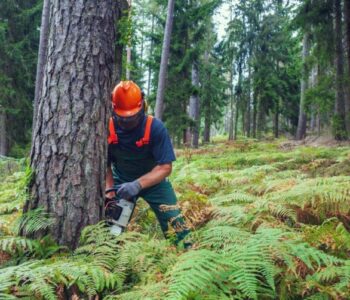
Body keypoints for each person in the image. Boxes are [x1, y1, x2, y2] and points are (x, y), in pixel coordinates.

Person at [106, 80, 190, 245]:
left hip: (155, 183)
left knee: (178, 227)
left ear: (142, 107)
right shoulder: (107, 127)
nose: (127, 122)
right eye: (122, 118)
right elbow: (104, 165)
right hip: (121, 182)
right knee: (112, 231)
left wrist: (137, 185)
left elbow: (165, 167)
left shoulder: (155, 128)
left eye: (132, 118)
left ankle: (187, 258)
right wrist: (109, 190)